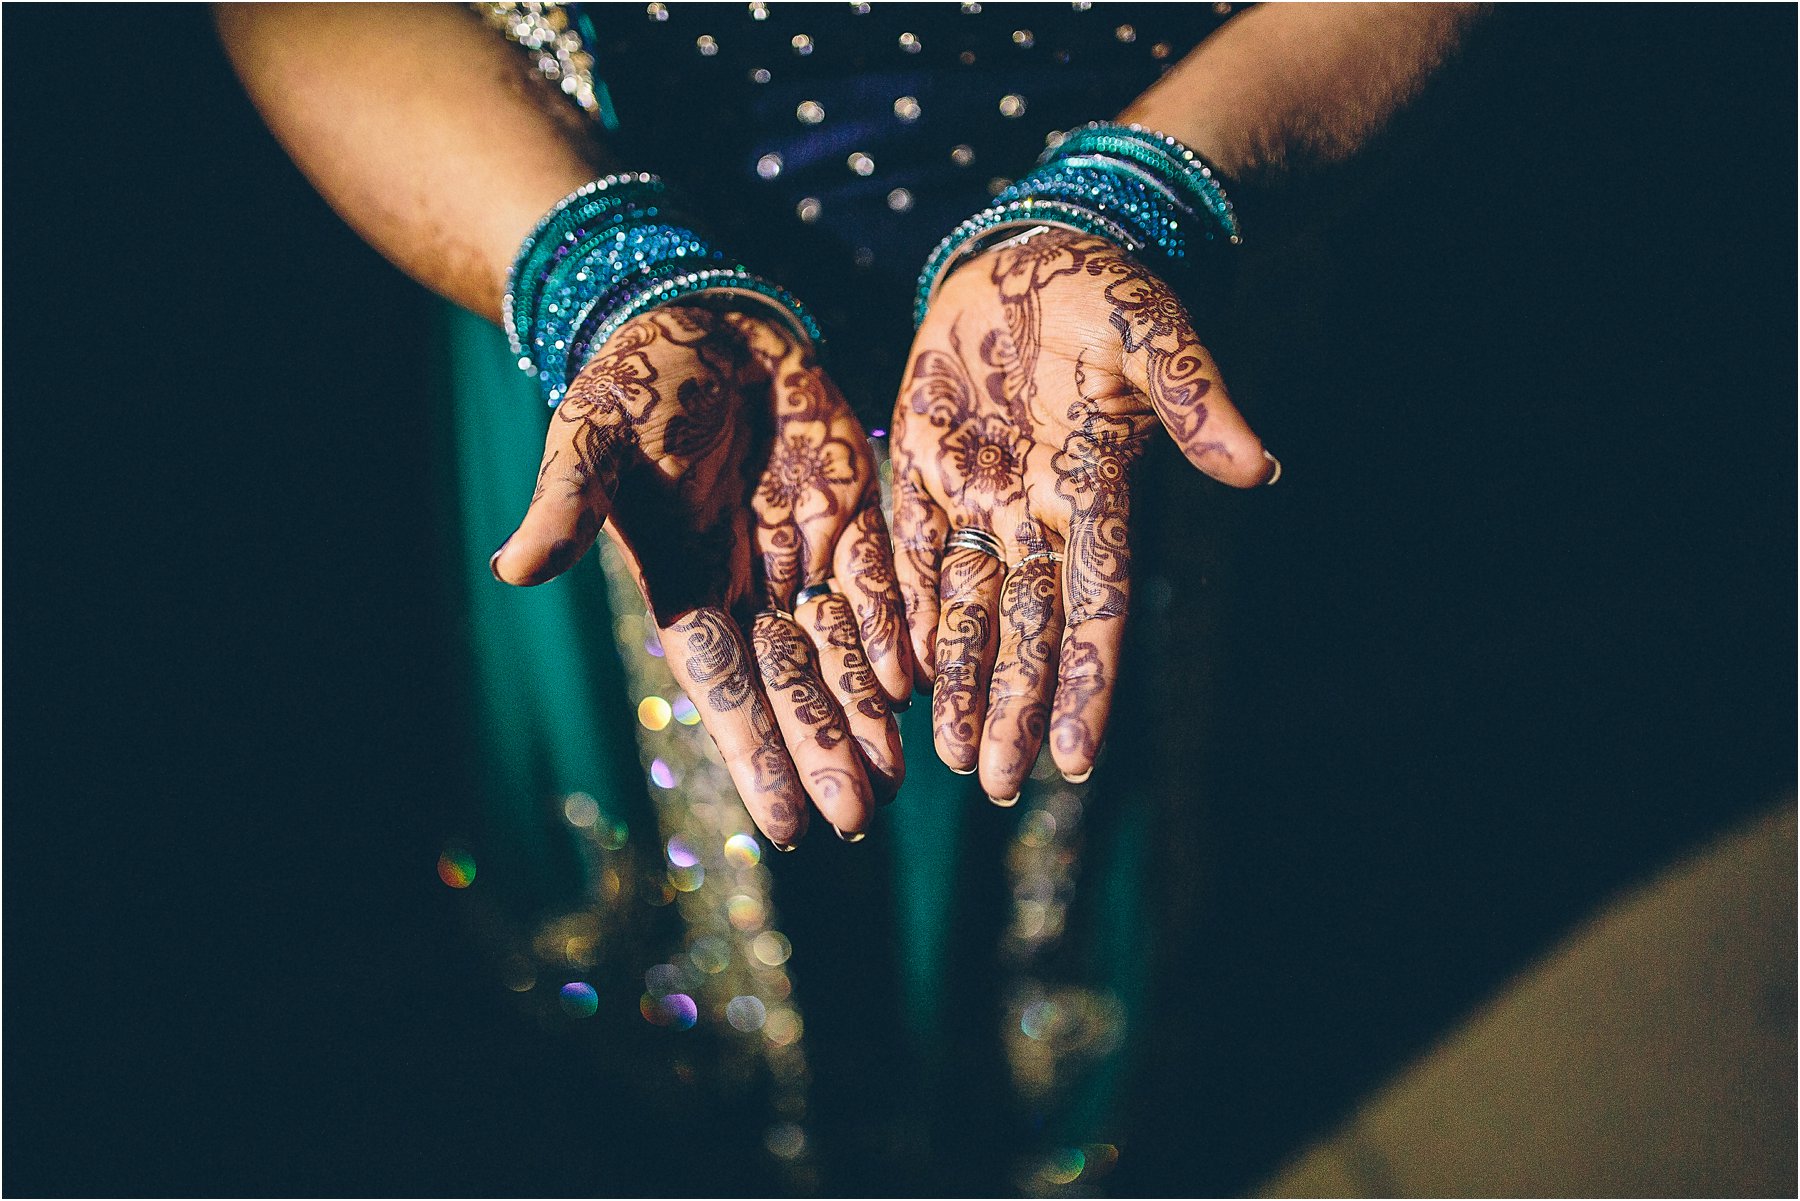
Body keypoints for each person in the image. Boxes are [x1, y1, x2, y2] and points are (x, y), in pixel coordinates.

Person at [217, 3, 1493, 1191]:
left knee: (1072, 751)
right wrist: (589, 271)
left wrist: (1144, 193)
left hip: (1105, 353)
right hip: (594, 296)